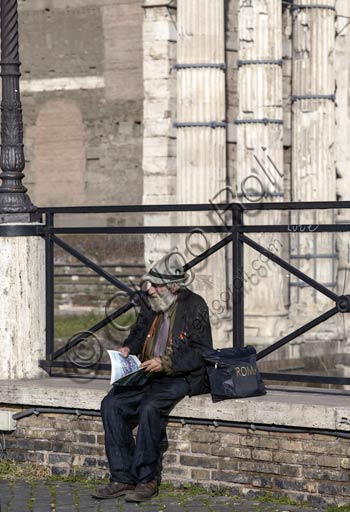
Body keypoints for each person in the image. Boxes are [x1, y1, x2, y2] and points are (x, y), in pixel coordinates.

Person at [92, 253, 212, 502]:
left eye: (156, 285)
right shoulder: (150, 302)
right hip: (147, 372)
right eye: (150, 284)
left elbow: (201, 352)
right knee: (111, 404)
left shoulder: (195, 306)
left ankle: (147, 479)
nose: (150, 289)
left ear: (173, 286)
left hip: (179, 375)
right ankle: (122, 477)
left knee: (150, 407)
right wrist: (127, 349)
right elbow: (138, 333)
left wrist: (166, 363)